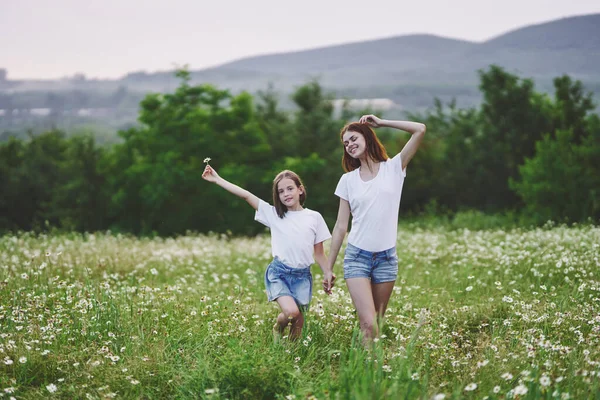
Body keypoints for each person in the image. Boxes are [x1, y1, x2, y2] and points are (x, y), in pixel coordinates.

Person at [202, 165, 335, 340]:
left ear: (300, 190)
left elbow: (319, 253)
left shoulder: (314, 217)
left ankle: (291, 355)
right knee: (291, 313)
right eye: (281, 191)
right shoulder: (274, 214)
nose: (286, 194)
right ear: (277, 195)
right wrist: (217, 179)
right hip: (279, 273)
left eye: (290, 189)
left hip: (303, 276)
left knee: (298, 323)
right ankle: (278, 328)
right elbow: (246, 195)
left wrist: (327, 272)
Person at [326, 114, 426, 342]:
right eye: (346, 143)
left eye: (353, 138)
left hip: (386, 259)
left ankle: (367, 371)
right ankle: (363, 373)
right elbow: (341, 226)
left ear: (367, 136)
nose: (350, 145)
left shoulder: (394, 168)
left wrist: (382, 123)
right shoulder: (348, 180)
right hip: (357, 258)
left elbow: (419, 129)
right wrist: (328, 268)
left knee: (374, 325)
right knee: (369, 324)